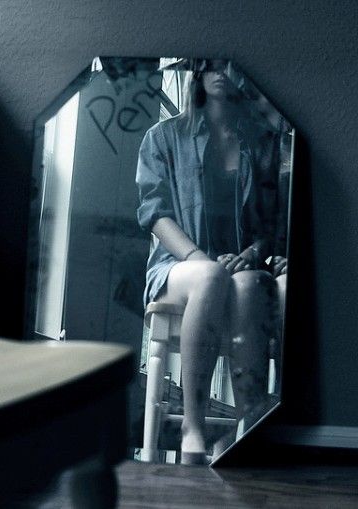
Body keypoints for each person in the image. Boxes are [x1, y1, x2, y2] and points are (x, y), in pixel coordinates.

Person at [136, 60, 285, 464]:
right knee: (209, 277)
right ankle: (193, 426)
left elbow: (271, 223)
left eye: (228, 65)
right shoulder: (164, 136)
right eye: (211, 65)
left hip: (241, 266)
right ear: (197, 73)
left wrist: (251, 254)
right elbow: (155, 214)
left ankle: (249, 419)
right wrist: (199, 259)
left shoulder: (262, 141)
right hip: (179, 266)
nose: (220, 72)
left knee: (253, 284)